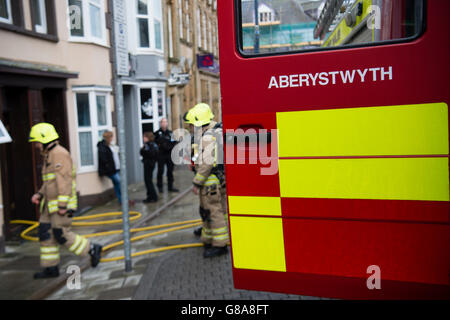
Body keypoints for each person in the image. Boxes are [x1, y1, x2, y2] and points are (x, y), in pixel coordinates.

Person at [29, 123, 102, 279]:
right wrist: (39, 194)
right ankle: (51, 268)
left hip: (59, 206)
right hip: (48, 206)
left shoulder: (59, 154)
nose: (35, 145)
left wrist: (63, 205)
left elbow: (65, 182)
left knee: (60, 234)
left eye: (37, 141)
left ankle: (92, 248)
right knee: (45, 234)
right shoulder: (48, 155)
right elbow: (50, 182)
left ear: (44, 139)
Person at [183, 103, 228, 258]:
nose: (189, 128)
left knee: (214, 212)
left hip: (210, 182)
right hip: (218, 180)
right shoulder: (214, 130)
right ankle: (208, 238)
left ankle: (220, 245)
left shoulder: (207, 137)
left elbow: (207, 163)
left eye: (191, 125)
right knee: (208, 211)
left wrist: (196, 182)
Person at [154, 118, 179, 193]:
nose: (164, 124)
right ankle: (160, 187)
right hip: (161, 155)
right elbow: (156, 143)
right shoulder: (157, 133)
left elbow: (174, 142)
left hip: (169, 155)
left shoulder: (170, 133)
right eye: (162, 122)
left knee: (170, 171)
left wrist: (169, 146)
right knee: (160, 171)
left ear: (167, 123)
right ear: (160, 124)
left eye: (165, 122)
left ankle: (170, 186)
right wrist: (162, 145)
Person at [97, 131, 121, 204]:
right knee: (119, 182)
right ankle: (123, 199)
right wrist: (109, 167)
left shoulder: (111, 145)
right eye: (111, 137)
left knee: (117, 184)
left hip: (116, 167)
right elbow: (104, 159)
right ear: (108, 138)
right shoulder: (103, 147)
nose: (112, 138)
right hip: (110, 170)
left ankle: (121, 200)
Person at [140, 132, 159, 203]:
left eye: (144, 137)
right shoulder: (152, 144)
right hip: (150, 163)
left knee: (148, 181)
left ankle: (153, 197)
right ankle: (150, 196)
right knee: (148, 180)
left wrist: (143, 151)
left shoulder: (149, 145)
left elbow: (145, 152)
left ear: (147, 137)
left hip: (149, 164)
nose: (143, 138)